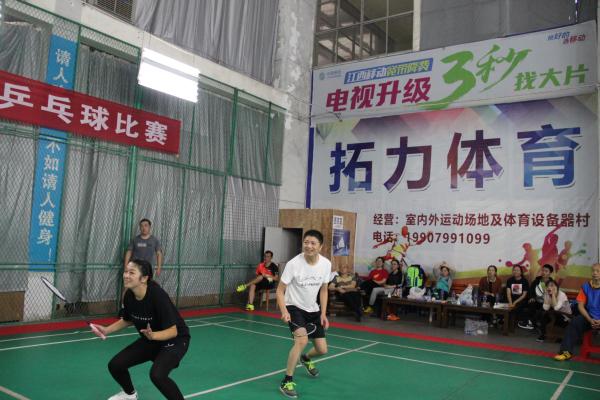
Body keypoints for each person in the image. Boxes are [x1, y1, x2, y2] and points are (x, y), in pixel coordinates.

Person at [95, 259, 190, 400]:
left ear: (144, 278)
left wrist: (154, 336)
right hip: (150, 338)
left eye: (131, 272)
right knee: (116, 365)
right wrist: (106, 330)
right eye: (126, 271)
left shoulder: (158, 296)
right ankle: (129, 394)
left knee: (158, 375)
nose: (126, 275)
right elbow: (128, 319)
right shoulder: (129, 295)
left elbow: (173, 331)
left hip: (175, 340)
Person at [276, 230, 331, 398]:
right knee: (302, 341)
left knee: (322, 349)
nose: (309, 246)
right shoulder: (294, 264)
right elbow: (280, 290)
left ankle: (306, 358)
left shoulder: (326, 264)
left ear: (320, 246)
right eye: (306, 242)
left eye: (313, 243)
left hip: (313, 309)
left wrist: (323, 313)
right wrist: (284, 311)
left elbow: (324, 289)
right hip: (294, 307)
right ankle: (287, 381)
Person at [555, 263, 600, 361]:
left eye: (597, 271)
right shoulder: (586, 287)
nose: (595, 273)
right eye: (593, 271)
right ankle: (566, 352)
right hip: (590, 318)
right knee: (575, 322)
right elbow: (580, 306)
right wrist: (590, 319)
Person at [519, 264, 554, 330]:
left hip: (546, 303)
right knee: (526, 304)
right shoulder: (537, 281)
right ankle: (530, 322)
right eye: (543, 270)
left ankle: (531, 323)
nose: (543, 272)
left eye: (546, 271)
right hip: (536, 300)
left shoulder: (553, 283)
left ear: (550, 273)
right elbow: (531, 290)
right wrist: (531, 297)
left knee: (544, 310)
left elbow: (553, 295)